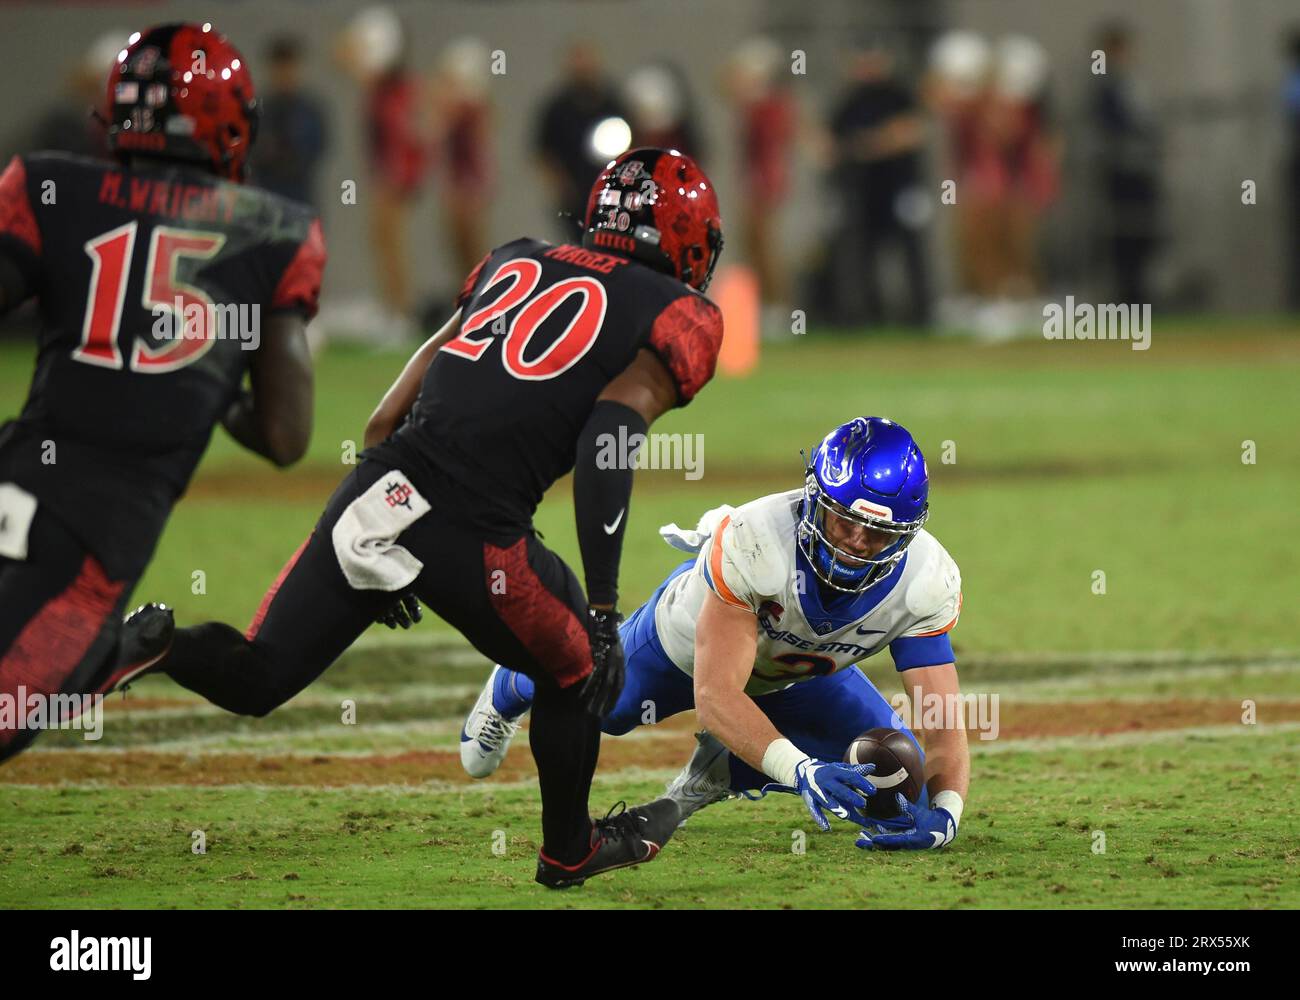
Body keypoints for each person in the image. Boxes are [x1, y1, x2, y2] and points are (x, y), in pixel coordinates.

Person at [139, 147, 726, 889]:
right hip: (479, 529)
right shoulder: (680, 313)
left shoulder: (515, 258)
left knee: (260, 676)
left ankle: (156, 644)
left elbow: (386, 417)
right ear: (688, 240)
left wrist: (392, 548)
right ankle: (568, 849)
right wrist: (607, 606)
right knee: (576, 659)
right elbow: (609, 429)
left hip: (381, 488)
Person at [0, 22, 324, 763]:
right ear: (229, 124)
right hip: (91, 536)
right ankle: (116, 652)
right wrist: (207, 377)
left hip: (14, 481)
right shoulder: (272, 229)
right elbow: (285, 434)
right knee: (23, 700)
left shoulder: (47, 184)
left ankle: (115, 653)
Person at [461, 417, 971, 851]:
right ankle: (514, 681)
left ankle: (724, 769)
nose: (855, 546)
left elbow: (939, 714)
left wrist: (948, 813)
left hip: (796, 678)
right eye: (843, 524)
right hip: (682, 649)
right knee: (607, 708)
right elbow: (716, 695)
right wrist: (798, 769)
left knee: (904, 790)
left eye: (878, 533)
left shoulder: (926, 580)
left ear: (907, 534)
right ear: (816, 502)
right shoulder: (758, 541)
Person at [534, 42, 630, 238]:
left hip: (611, 192)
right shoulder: (557, 108)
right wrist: (560, 187)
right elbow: (544, 152)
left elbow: (633, 141)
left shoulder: (613, 103)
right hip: (575, 196)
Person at [250, 36, 329, 209]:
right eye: (280, 68)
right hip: (267, 194)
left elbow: (318, 147)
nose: (285, 74)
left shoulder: (309, 110)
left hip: (300, 196)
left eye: (289, 67)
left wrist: (293, 156)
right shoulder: (260, 110)